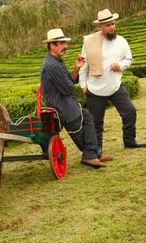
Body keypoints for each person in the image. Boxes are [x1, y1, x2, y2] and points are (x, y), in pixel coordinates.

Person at [40, 28, 112, 168]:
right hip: (63, 108)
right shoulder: (52, 66)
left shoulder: (56, 61)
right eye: (61, 43)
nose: (65, 46)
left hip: (68, 103)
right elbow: (68, 89)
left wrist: (77, 68)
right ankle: (90, 156)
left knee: (88, 118)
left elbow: (70, 80)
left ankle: (95, 154)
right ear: (52, 45)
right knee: (82, 130)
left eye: (65, 43)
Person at [79, 8, 146, 154]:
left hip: (116, 86)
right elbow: (83, 65)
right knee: (96, 123)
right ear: (100, 27)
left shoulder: (121, 41)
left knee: (130, 112)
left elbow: (128, 59)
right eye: (108, 25)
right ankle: (97, 150)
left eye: (113, 24)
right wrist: (83, 85)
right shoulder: (89, 43)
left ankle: (129, 141)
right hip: (95, 90)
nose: (112, 27)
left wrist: (120, 65)